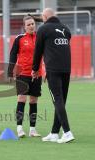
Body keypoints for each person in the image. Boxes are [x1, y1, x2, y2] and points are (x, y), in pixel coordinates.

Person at [32, 8, 75, 143]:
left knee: (57, 99)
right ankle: (54, 132)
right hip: (66, 69)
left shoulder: (43, 29)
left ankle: (67, 132)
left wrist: (34, 69)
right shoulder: (66, 29)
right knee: (61, 100)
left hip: (53, 69)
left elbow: (38, 51)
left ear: (44, 17)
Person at [8, 15, 42, 138]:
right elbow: (12, 55)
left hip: (37, 74)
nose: (31, 26)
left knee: (33, 101)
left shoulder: (40, 37)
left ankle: (32, 130)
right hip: (22, 73)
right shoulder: (19, 39)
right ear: (24, 27)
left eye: (33, 23)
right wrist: (9, 71)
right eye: (28, 24)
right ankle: (19, 128)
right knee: (21, 99)